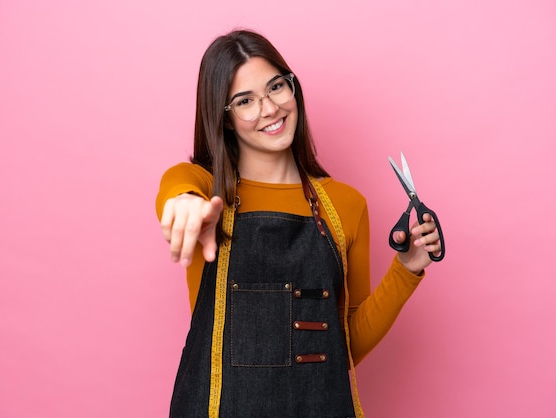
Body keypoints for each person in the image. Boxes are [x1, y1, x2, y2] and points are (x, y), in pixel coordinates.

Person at [156, 29, 442, 418]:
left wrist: (407, 270)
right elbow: (178, 183)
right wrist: (184, 203)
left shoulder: (346, 205)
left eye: (276, 86)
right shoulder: (207, 194)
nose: (270, 109)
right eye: (245, 101)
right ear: (223, 120)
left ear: (293, 88)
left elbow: (343, 347)